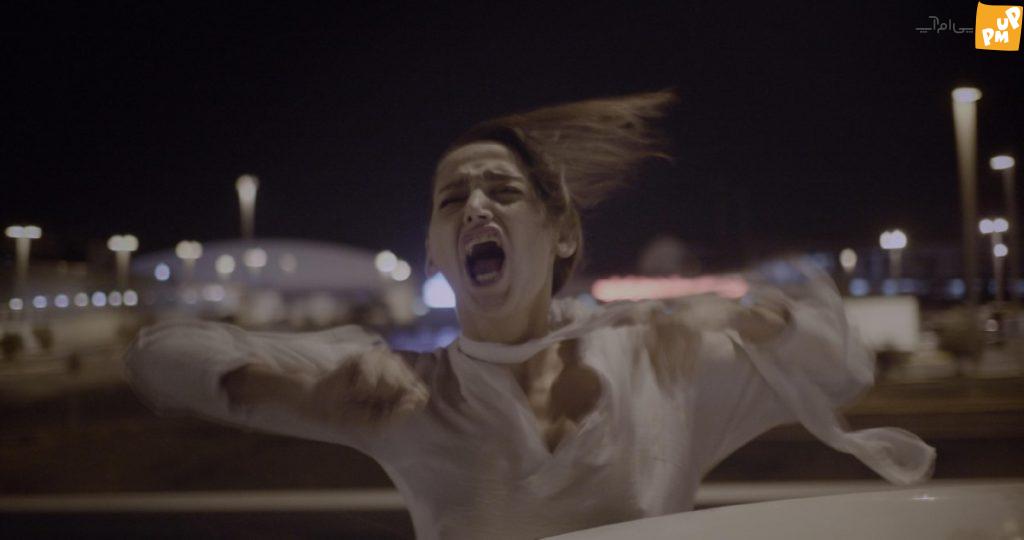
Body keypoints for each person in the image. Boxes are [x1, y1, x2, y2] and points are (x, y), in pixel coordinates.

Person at [124, 91, 934, 540]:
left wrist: (751, 322)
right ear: (435, 255)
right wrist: (290, 387)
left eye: (502, 191)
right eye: (453, 200)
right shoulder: (406, 391)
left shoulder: (657, 363)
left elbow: (844, 366)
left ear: (563, 234)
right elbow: (160, 354)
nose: (476, 206)